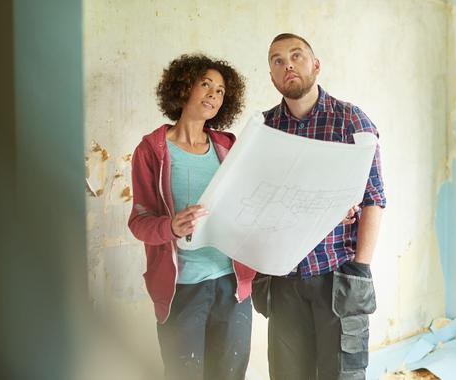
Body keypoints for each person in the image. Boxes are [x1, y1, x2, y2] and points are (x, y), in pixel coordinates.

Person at [252, 33, 387, 380]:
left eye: (296, 56)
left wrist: (360, 268)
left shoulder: (350, 121)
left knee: (341, 374)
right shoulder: (264, 128)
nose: (288, 65)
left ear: (315, 65)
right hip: (283, 280)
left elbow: (374, 199)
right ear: (271, 76)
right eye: (277, 60)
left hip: (336, 275)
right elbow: (257, 200)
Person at [128, 54, 256, 380]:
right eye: (206, 85)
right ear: (184, 87)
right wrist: (170, 226)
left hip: (233, 285)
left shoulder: (228, 146)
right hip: (182, 289)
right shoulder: (152, 150)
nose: (213, 95)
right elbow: (139, 222)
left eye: (221, 91)